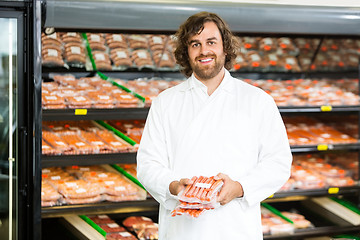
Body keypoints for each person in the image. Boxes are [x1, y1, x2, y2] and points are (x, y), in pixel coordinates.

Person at [137, 11, 292, 239]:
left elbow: (278, 162)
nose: (204, 51)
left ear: (225, 47)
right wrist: (174, 187)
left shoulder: (257, 100)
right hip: (183, 230)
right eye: (195, 44)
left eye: (211, 42)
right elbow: (148, 164)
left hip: (236, 228)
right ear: (186, 52)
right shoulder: (165, 102)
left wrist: (239, 187)